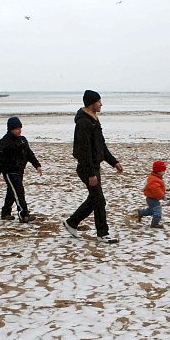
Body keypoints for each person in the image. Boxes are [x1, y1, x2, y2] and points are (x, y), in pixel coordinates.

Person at [62, 90, 123, 244]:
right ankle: (102, 234)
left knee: (95, 199)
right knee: (99, 200)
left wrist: (113, 162)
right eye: (99, 101)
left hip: (94, 166)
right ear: (91, 103)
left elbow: (100, 145)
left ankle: (72, 223)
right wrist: (90, 173)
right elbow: (84, 150)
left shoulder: (94, 119)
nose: (101, 104)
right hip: (86, 167)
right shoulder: (84, 122)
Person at [0, 116, 43, 222]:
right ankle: (23, 214)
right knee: (19, 191)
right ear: (11, 129)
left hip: (19, 170)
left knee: (12, 192)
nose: (19, 130)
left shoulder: (23, 140)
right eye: (16, 128)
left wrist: (37, 165)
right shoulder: (4, 141)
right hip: (9, 171)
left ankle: (5, 212)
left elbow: (29, 154)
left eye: (20, 128)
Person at [137, 160, 167, 228]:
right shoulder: (154, 179)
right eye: (163, 171)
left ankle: (141, 212)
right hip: (152, 198)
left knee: (151, 210)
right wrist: (162, 196)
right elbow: (156, 190)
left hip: (152, 198)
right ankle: (154, 224)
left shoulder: (156, 177)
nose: (164, 172)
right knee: (157, 211)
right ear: (158, 171)